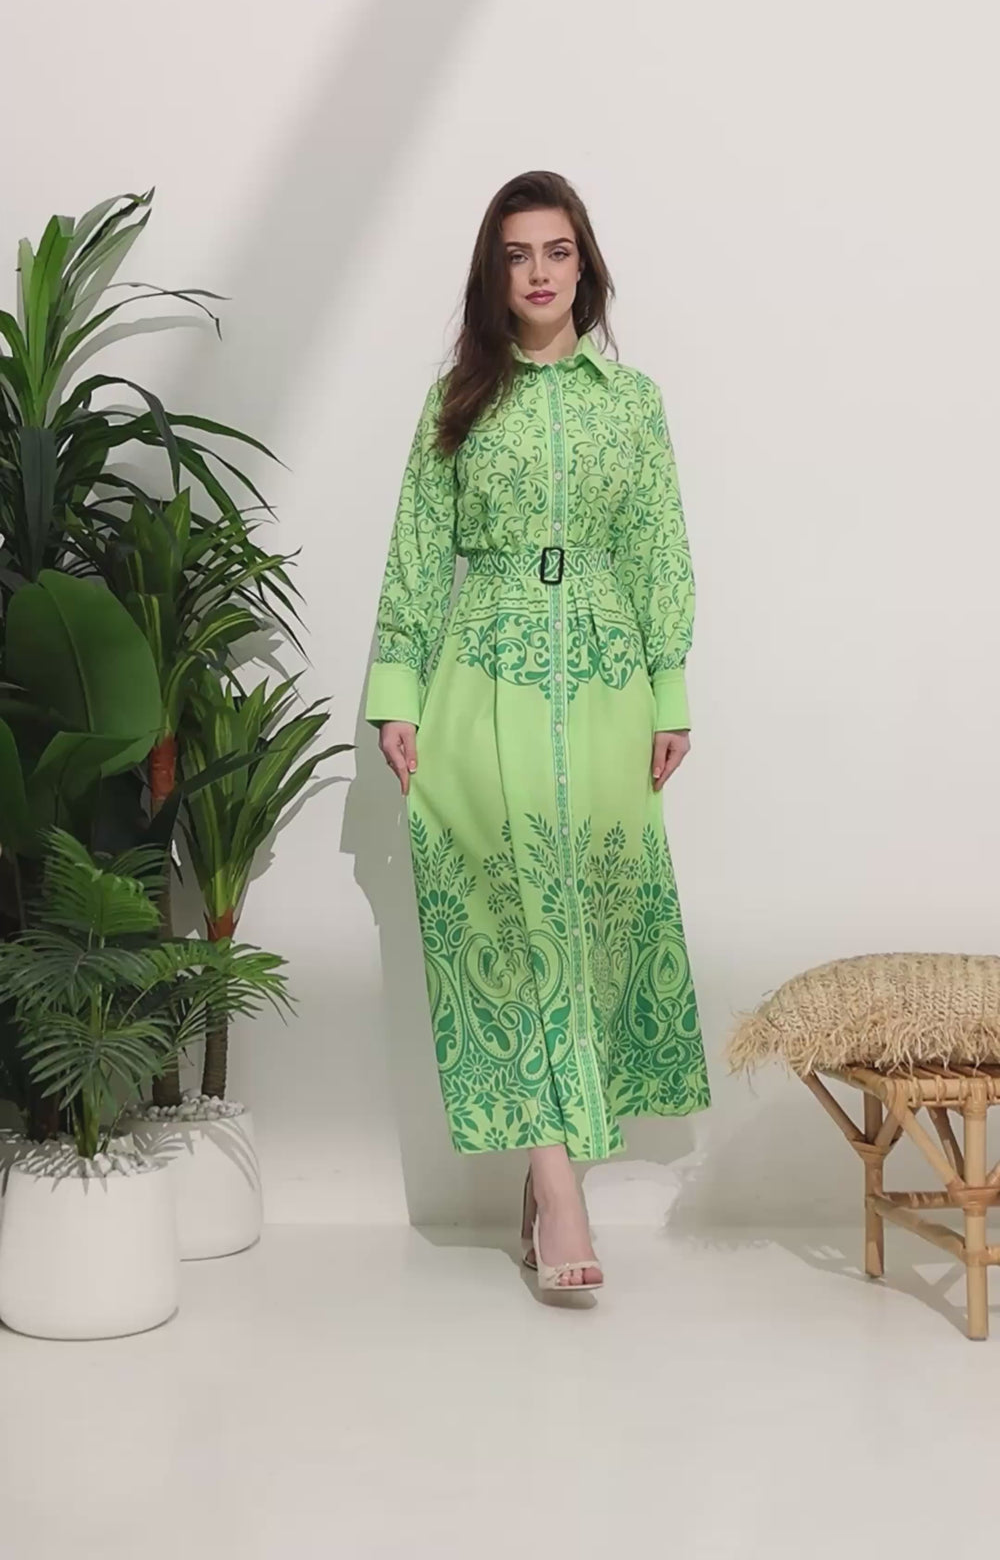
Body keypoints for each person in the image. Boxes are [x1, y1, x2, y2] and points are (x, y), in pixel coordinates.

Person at [364, 169, 710, 1295]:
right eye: (517, 254)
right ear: (494, 273)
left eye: (557, 250)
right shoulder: (457, 400)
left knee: (591, 925)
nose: (539, 272)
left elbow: (658, 544)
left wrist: (669, 691)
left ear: (585, 265)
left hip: (605, 683)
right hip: (482, 678)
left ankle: (546, 1165)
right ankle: (559, 1187)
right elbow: (420, 548)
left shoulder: (632, 402)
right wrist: (398, 690)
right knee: (502, 920)